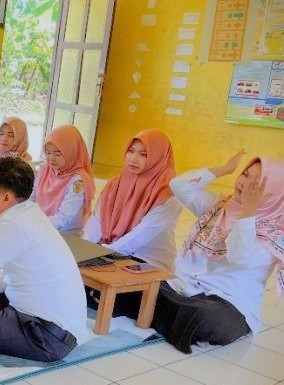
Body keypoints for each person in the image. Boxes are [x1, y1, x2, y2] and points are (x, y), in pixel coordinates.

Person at [116, 151, 284, 354]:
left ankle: (152, 309)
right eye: (245, 175)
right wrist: (223, 170)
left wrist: (248, 213)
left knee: (208, 320)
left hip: (227, 303)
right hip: (181, 287)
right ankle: (164, 312)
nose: (245, 184)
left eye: (257, 184)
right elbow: (179, 185)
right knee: (130, 280)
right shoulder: (218, 207)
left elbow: (239, 255)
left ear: (275, 192)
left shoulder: (274, 232)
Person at [0, 156, 89, 361]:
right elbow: (2, 279)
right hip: (52, 326)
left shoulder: (12, 225)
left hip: (44, 335)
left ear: (6, 197)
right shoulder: (28, 212)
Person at [82, 129, 182, 271]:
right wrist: (83, 247)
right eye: (131, 151)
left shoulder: (169, 194)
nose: (133, 158)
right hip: (109, 252)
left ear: (159, 157)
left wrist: (103, 253)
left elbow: (142, 234)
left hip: (147, 260)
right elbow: (98, 220)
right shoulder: (114, 185)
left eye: (144, 154)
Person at [32, 124, 95, 234]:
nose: (51, 158)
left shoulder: (78, 180)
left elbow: (64, 217)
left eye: (58, 153)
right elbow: (31, 198)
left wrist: (35, 224)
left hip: (65, 236)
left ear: (71, 151)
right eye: (48, 153)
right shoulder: (44, 169)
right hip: (39, 229)